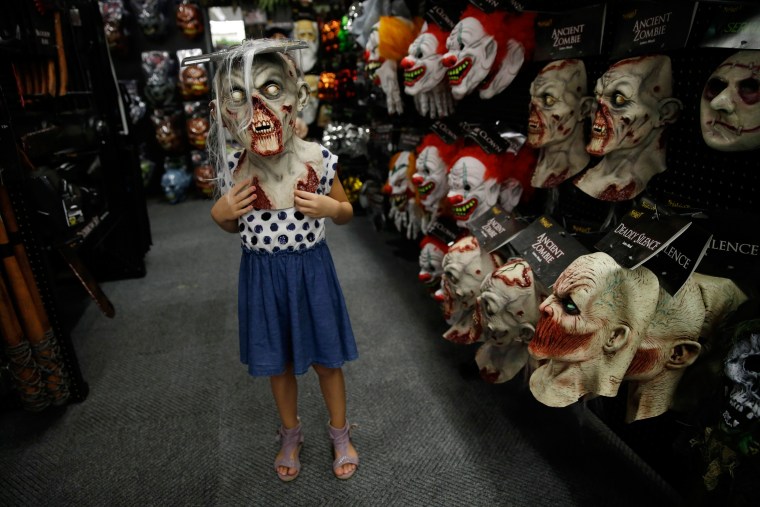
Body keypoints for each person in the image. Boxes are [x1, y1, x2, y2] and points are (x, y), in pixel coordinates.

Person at [206, 39, 359, 482]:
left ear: (298, 98)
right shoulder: (236, 166)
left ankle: (340, 433)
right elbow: (234, 223)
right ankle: (290, 433)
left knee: (328, 361)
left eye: (271, 90)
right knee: (278, 363)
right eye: (238, 97)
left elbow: (346, 212)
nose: (257, 110)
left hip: (311, 273)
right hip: (263, 278)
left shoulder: (319, 159)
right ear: (222, 113)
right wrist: (220, 216)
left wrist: (332, 209)